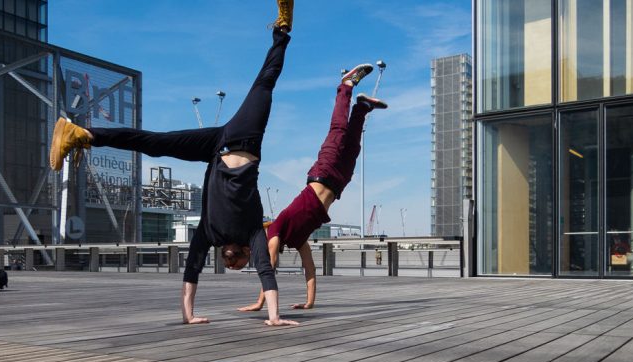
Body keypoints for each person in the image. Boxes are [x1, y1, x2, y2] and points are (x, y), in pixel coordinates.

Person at [49, 1, 297, 327]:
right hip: (222, 142)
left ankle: (282, 30)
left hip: (236, 140)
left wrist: (274, 316)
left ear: (244, 255)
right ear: (227, 256)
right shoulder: (211, 233)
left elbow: (265, 272)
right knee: (154, 143)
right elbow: (192, 269)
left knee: (263, 84)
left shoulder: (247, 233)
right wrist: (188, 314)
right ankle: (81, 134)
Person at [239, 66, 387, 312]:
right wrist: (310, 302)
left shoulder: (275, 231)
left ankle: (346, 86)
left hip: (323, 173)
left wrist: (260, 302)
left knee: (338, 131)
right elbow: (310, 268)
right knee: (352, 147)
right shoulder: (298, 239)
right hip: (338, 182)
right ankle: (361, 108)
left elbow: (269, 266)